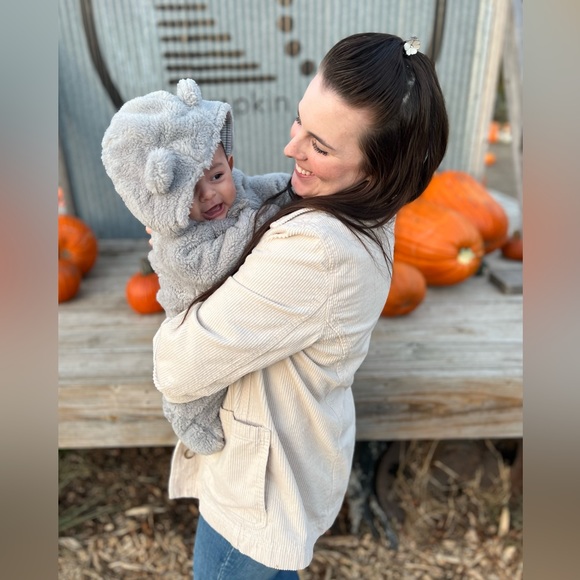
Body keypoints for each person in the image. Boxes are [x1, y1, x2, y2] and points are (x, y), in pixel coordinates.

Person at [152, 32, 449, 577]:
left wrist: (173, 259)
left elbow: (177, 367)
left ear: (377, 168)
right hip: (293, 459)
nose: (292, 149)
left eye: (321, 146)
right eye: (299, 121)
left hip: (260, 493)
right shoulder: (362, 210)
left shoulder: (316, 253)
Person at [101, 78, 292, 455]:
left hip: (238, 315)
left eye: (217, 176)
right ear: (165, 199)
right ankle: (186, 415)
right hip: (192, 317)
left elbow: (269, 188)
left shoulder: (239, 188)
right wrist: (262, 219)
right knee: (200, 375)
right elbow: (214, 268)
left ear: (229, 165)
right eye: (189, 191)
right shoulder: (177, 244)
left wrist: (293, 192)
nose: (209, 194)